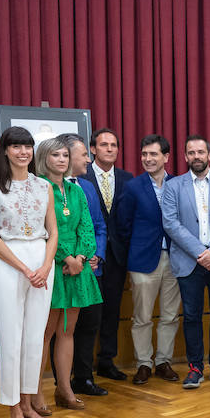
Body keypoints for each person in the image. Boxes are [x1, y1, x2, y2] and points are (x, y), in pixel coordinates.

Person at [0, 126, 58, 418]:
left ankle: (28, 403)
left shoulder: (44, 186)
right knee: (11, 339)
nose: (23, 152)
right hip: (9, 264)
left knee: (34, 337)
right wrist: (25, 269)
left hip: (41, 263)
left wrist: (46, 264)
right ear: (5, 150)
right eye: (16, 146)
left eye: (27, 146)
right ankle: (14, 410)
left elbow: (53, 232)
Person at [29, 137, 102, 414]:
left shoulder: (77, 191)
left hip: (76, 270)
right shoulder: (37, 188)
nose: (61, 159)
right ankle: (36, 394)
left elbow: (87, 227)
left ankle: (64, 389)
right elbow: (42, 229)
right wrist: (64, 258)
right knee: (44, 334)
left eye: (64, 155)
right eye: (55, 155)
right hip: (53, 268)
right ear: (44, 158)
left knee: (67, 332)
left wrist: (81, 257)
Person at [162, 135, 210, 388]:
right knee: (192, 316)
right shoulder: (173, 186)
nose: (196, 156)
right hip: (189, 261)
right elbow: (171, 223)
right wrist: (201, 253)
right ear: (185, 157)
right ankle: (195, 367)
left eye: (200, 152)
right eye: (191, 152)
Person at [114, 135, 181, 385]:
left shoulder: (178, 184)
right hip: (143, 261)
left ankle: (164, 362)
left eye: (153, 154)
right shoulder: (133, 187)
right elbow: (122, 225)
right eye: (144, 154)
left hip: (176, 260)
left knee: (170, 316)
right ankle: (144, 363)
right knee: (141, 317)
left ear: (166, 157)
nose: (148, 159)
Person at [54, 133, 109, 399]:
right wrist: (71, 258)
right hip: (62, 269)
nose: (89, 158)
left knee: (89, 324)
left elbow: (97, 226)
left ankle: (84, 378)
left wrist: (94, 254)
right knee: (60, 328)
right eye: (84, 154)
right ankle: (60, 383)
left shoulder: (86, 187)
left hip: (89, 268)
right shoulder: (47, 187)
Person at [79, 128, 134, 382]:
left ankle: (106, 361)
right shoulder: (81, 176)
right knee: (89, 313)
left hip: (118, 255)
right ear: (93, 149)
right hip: (89, 257)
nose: (109, 149)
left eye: (113, 145)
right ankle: (82, 368)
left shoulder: (127, 178)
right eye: (104, 145)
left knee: (112, 310)